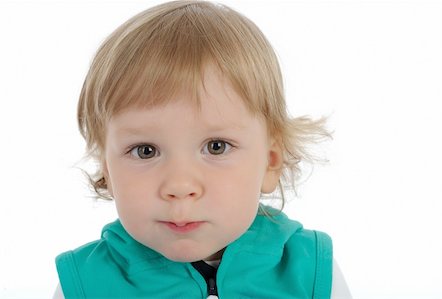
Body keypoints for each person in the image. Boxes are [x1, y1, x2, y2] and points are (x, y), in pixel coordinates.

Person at [54, 1, 351, 298]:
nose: (180, 185)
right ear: (107, 169)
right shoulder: (83, 285)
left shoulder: (312, 276)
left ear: (270, 162)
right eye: (145, 150)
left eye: (216, 147)